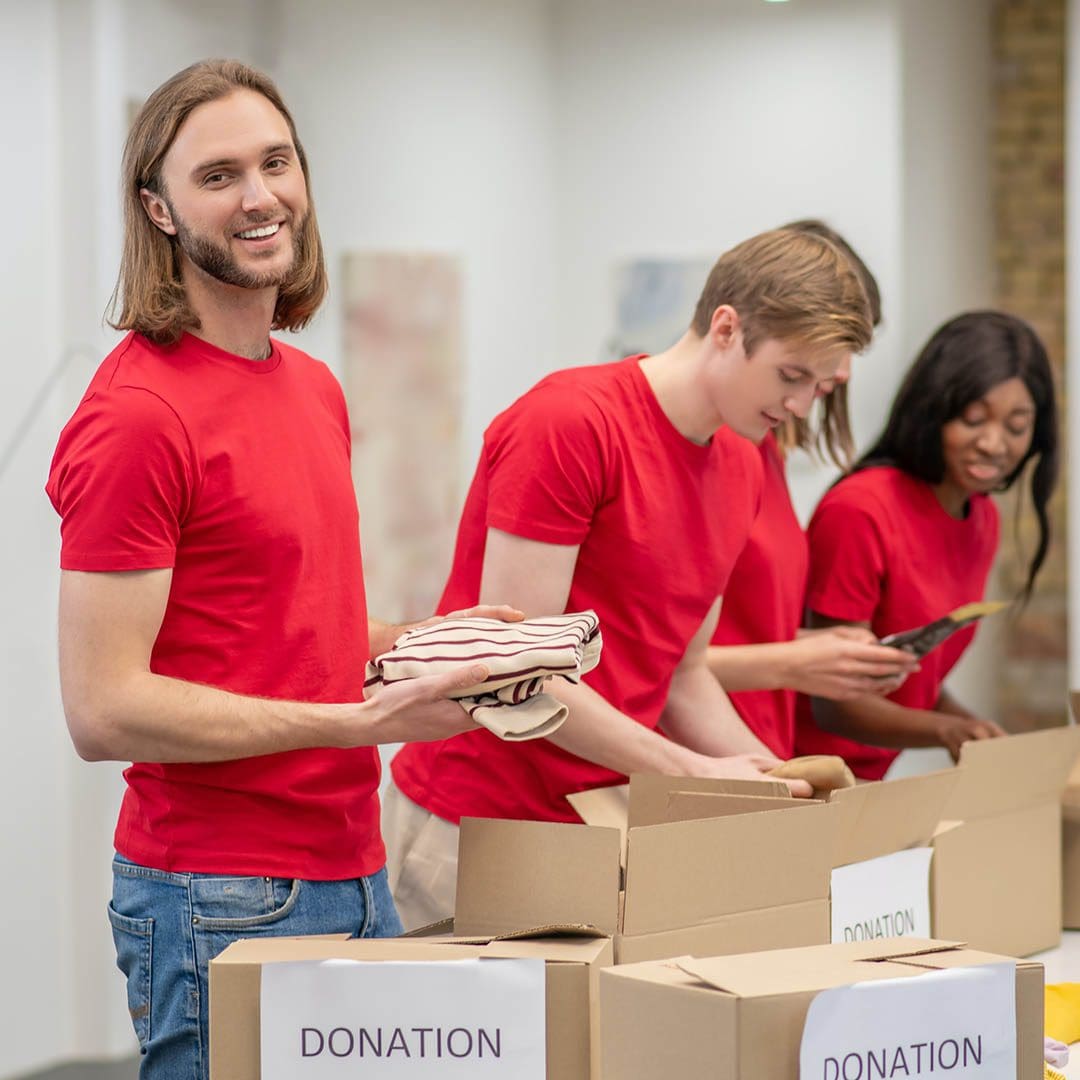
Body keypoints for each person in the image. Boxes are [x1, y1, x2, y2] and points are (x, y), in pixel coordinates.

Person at [46, 60, 517, 1080]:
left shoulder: (312, 388)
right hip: (216, 892)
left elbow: (289, 637)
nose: (260, 195)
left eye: (276, 162)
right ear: (158, 211)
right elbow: (103, 707)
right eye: (218, 176)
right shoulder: (137, 418)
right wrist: (363, 724)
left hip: (354, 866)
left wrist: (449, 647)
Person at [385, 228, 875, 930]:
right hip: (469, 823)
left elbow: (683, 673)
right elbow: (517, 672)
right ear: (727, 328)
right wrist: (690, 772)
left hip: (601, 824)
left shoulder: (739, 466)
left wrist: (768, 776)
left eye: (820, 387)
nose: (801, 406)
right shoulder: (570, 424)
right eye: (791, 376)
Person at [794, 310, 1059, 777]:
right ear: (933, 410)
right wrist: (943, 731)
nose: (994, 444)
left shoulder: (981, 517)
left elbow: (910, 669)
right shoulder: (861, 509)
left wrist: (967, 724)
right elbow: (832, 698)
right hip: (801, 775)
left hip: (870, 781)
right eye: (974, 419)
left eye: (1017, 427)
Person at [706, 221, 918, 758]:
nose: (842, 373)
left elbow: (722, 638)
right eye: (815, 360)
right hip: (699, 760)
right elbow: (651, 665)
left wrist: (818, 652)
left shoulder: (760, 452)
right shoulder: (716, 448)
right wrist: (796, 662)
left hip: (751, 747)